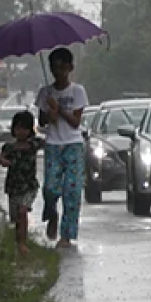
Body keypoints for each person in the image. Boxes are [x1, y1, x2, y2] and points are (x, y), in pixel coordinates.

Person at [35, 47, 89, 248]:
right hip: (53, 144)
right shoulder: (45, 92)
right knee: (50, 188)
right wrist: (49, 110)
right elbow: (42, 121)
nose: (57, 71)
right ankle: (52, 214)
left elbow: (75, 122)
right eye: (53, 67)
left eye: (61, 66)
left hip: (73, 144)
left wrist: (60, 109)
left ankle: (66, 235)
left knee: (72, 191)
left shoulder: (77, 91)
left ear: (70, 67)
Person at [0, 110, 43, 255]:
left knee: (23, 211)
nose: (21, 132)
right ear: (13, 129)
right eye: (18, 128)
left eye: (24, 128)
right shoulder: (9, 147)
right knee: (16, 218)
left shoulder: (34, 144)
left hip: (29, 186)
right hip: (13, 186)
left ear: (30, 130)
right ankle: (19, 243)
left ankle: (23, 244)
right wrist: (5, 161)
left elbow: (50, 143)